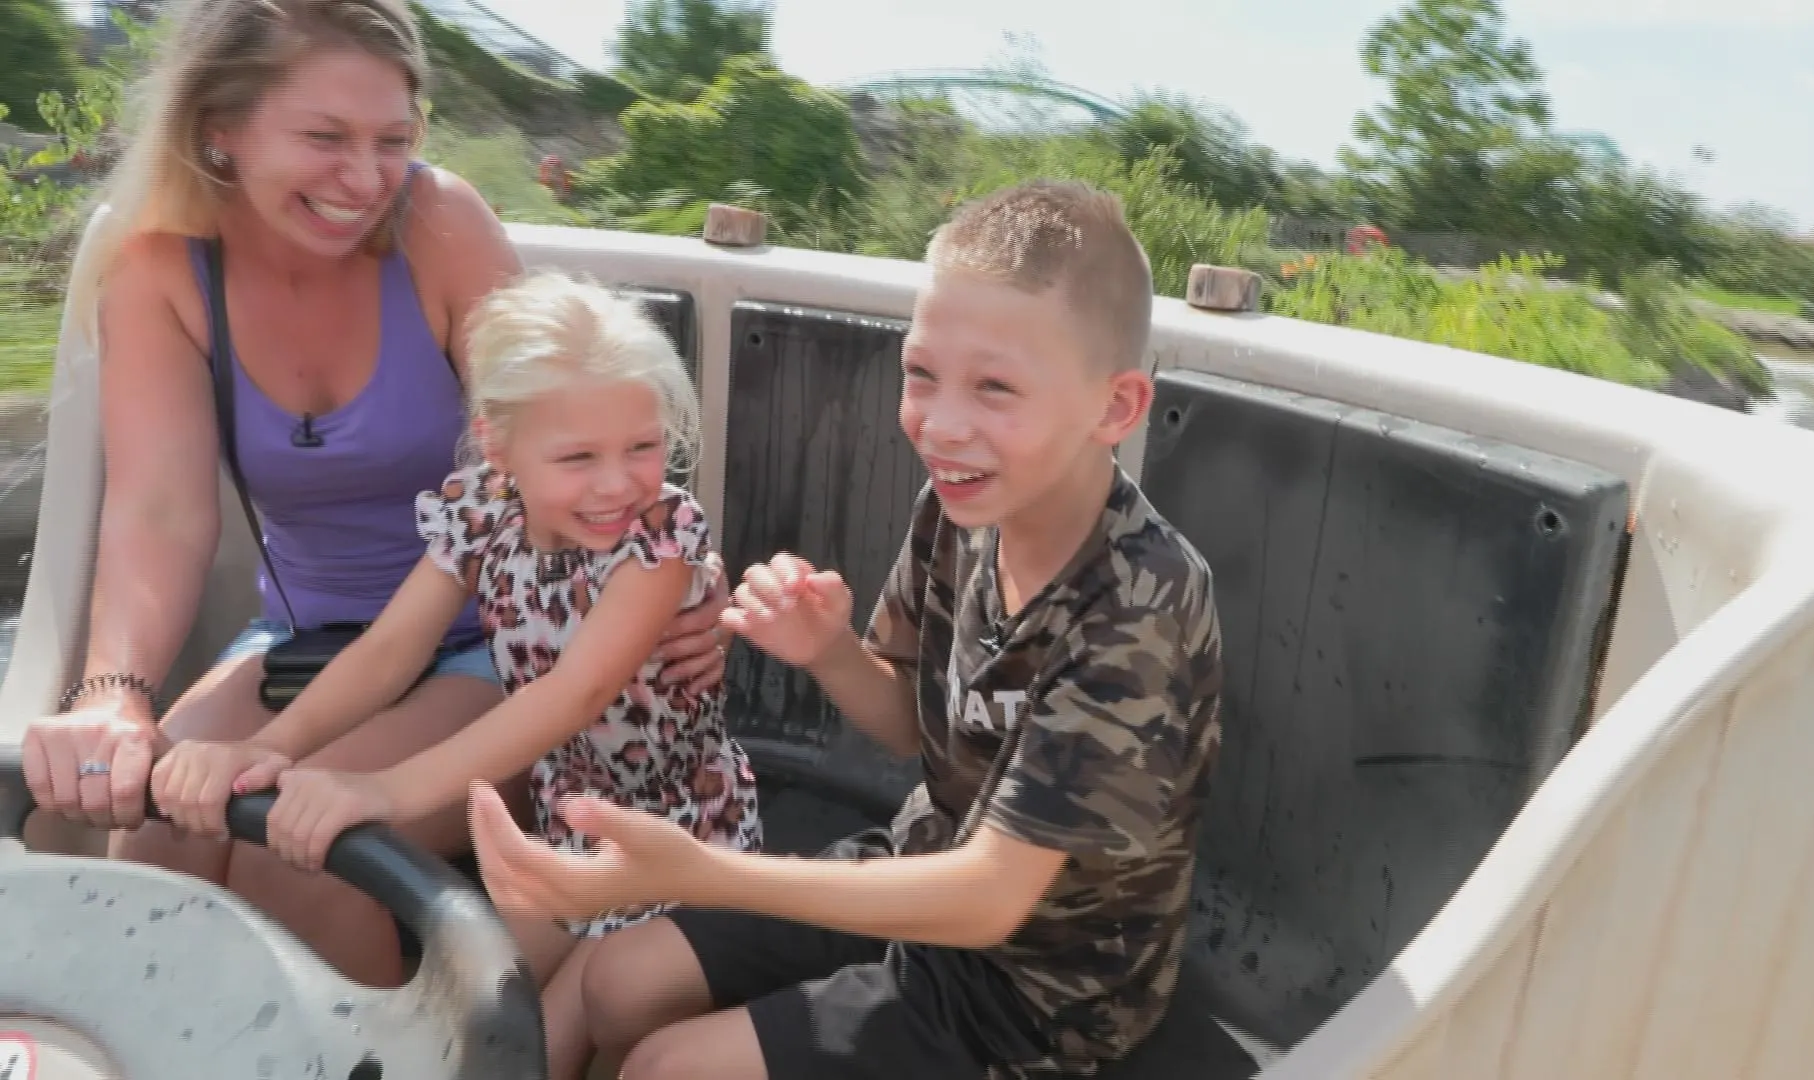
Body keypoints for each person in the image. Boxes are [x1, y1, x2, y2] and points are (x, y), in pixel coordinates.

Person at [16, 0, 731, 989]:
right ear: (219, 129)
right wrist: (114, 696)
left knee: (299, 850)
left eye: (392, 141)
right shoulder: (160, 273)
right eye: (325, 139)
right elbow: (159, 514)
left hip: (496, 640)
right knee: (157, 829)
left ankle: (380, 1048)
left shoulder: (440, 226)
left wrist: (685, 583)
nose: (364, 180)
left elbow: (572, 442)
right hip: (309, 639)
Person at [465, 179, 1226, 1080]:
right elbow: (908, 726)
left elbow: (990, 900)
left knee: (668, 1067)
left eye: (995, 388)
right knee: (618, 983)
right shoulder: (960, 511)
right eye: (921, 373)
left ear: (1116, 408)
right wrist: (827, 652)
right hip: (917, 864)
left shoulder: (1141, 605)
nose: (941, 425)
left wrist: (694, 873)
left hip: (1039, 995)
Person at [153, 268, 761, 1076]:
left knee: (536, 1045)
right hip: (565, 825)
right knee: (463, 1024)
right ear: (499, 447)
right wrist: (270, 746)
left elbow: (574, 692)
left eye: (642, 447)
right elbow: (390, 650)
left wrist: (386, 790)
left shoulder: (660, 534)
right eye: (578, 456)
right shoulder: (483, 510)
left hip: (674, 835)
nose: (618, 482)